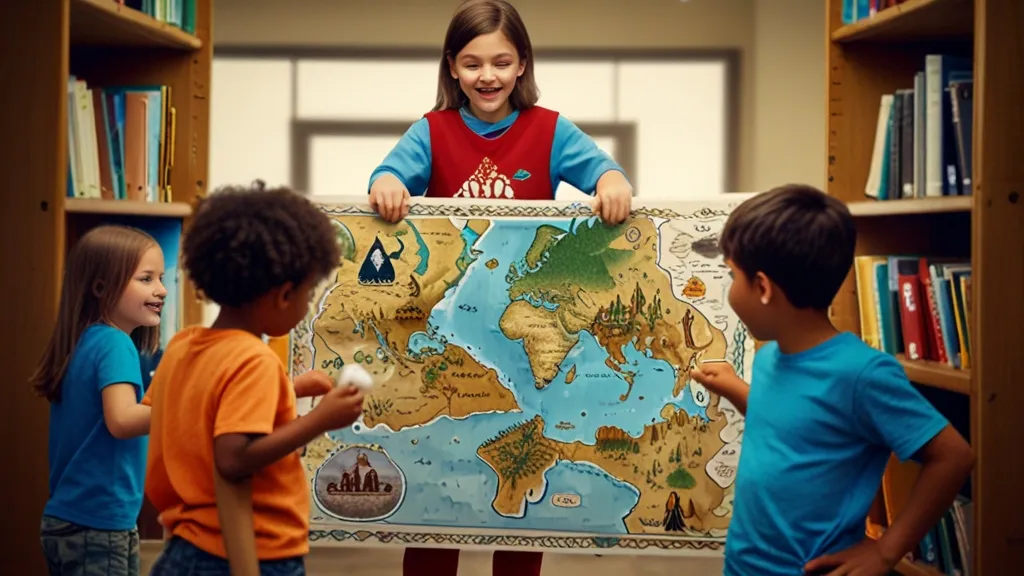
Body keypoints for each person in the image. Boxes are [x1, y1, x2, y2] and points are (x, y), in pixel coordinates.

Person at [368, 1, 632, 574]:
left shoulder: (550, 128)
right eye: (472, 63)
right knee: (436, 492)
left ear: (522, 65)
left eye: (501, 61)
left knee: (519, 494)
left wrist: (611, 183)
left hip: (523, 334)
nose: (486, 75)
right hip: (448, 332)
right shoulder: (431, 130)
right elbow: (388, 174)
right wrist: (387, 183)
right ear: (452, 67)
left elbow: (605, 173)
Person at [689, 184, 975, 576]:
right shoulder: (772, 356)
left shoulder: (862, 375)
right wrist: (736, 389)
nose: (729, 288)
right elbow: (795, 427)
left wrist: (887, 551)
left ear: (762, 287)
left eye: (731, 274)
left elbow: (953, 457)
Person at [145, 183, 366, 576]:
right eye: (308, 293)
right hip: (251, 552)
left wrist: (289, 389)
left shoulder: (183, 346)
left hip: (185, 548)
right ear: (284, 295)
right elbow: (233, 458)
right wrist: (321, 420)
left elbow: (208, 409)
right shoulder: (253, 360)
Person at [30, 225, 166, 576]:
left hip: (67, 520)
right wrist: (187, 405)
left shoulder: (86, 341)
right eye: (147, 278)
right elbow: (121, 421)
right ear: (101, 287)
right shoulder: (115, 343)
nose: (162, 290)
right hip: (99, 526)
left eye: (161, 278)